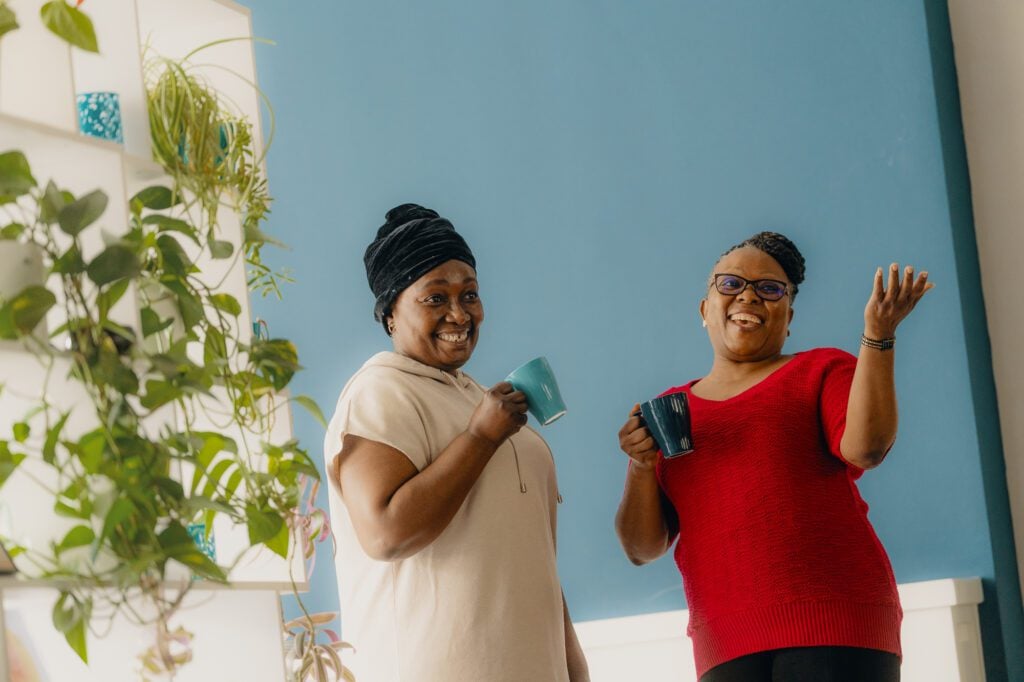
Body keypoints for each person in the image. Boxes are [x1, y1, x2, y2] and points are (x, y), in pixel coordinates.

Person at [615, 232, 932, 682]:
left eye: (769, 288)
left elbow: (868, 447)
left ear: (789, 317)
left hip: (837, 624)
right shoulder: (669, 411)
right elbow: (641, 548)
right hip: (724, 642)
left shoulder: (821, 370)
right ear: (705, 310)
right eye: (730, 284)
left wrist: (878, 336)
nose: (748, 294)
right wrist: (643, 465)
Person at [323, 203, 589, 682]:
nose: (458, 313)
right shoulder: (380, 390)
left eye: (470, 294)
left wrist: (573, 668)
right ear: (390, 313)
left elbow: (535, 564)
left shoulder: (476, 397)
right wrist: (481, 437)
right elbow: (386, 533)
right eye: (435, 298)